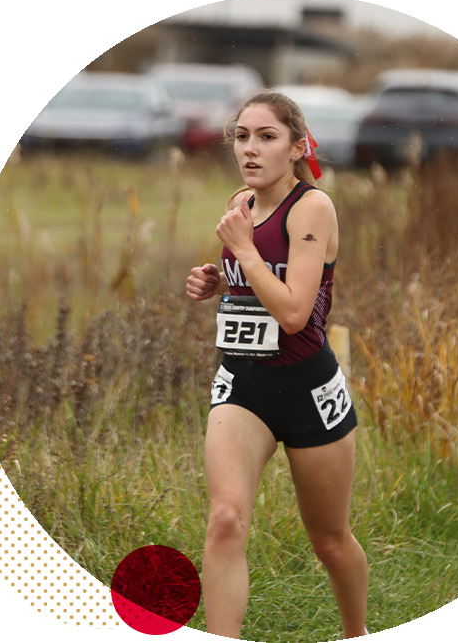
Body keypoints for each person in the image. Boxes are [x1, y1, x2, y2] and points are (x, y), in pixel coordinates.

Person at [187, 89, 371, 643]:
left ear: (296, 147)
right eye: (242, 136)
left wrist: (243, 254)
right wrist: (219, 282)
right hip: (243, 384)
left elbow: (294, 312)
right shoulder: (240, 202)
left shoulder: (313, 207)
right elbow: (256, 283)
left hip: (307, 388)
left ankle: (356, 635)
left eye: (267, 137)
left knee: (330, 540)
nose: (250, 148)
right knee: (224, 521)